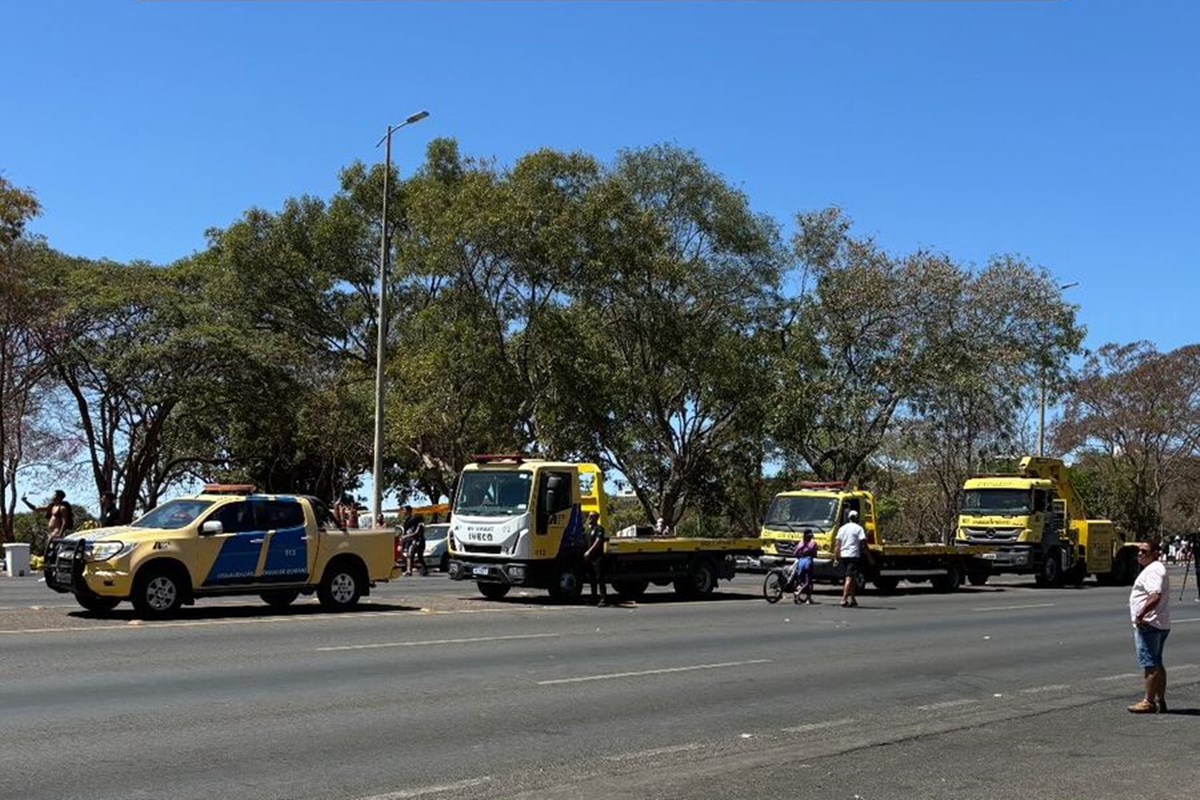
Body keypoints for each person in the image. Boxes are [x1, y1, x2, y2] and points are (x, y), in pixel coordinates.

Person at [1127, 540, 1171, 713]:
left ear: (1155, 553)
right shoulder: (1156, 569)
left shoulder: (1154, 571)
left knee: (1150, 664)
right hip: (1159, 622)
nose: (1140, 554)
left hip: (1149, 624)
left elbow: (1155, 596)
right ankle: (1160, 700)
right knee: (1157, 662)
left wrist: (1141, 614)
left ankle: (1149, 701)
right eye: (1138, 551)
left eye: (1144, 551)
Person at [833, 509, 867, 608]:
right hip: (853, 555)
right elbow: (863, 543)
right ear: (857, 518)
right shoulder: (859, 529)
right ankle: (844, 599)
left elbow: (837, 545)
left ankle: (852, 599)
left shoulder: (842, 528)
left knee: (851, 577)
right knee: (849, 577)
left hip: (844, 555)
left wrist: (836, 558)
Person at [583, 511, 609, 606]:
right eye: (589, 516)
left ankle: (603, 599)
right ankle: (593, 598)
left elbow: (598, 541)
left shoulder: (599, 529)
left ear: (596, 518)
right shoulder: (589, 530)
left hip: (597, 558)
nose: (589, 518)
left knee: (599, 578)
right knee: (592, 578)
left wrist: (589, 551)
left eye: (591, 517)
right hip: (590, 558)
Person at [791, 530, 818, 604]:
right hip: (808, 562)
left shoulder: (800, 543)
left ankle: (798, 595)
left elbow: (795, 553)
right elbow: (815, 554)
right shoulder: (813, 543)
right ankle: (804, 596)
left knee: (800, 580)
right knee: (808, 581)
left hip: (800, 562)